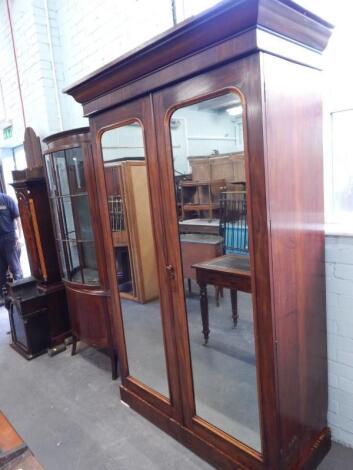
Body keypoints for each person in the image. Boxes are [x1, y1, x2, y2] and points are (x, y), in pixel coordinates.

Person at [0, 192, 23, 296]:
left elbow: (18, 218)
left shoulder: (7, 199)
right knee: (1, 272)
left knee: (15, 268)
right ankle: (7, 300)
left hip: (9, 237)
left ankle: (21, 295)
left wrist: (21, 237)